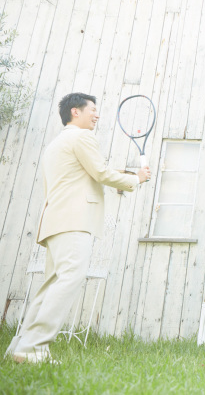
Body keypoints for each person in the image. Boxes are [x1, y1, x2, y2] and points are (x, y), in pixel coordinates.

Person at [6, 93, 151, 364]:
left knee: (51, 284)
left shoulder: (58, 143)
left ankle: (23, 347)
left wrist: (129, 176)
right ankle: (33, 348)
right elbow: (101, 173)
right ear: (76, 111)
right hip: (74, 221)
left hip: (55, 222)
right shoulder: (82, 137)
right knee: (70, 279)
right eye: (93, 110)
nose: (97, 115)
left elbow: (84, 174)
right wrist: (137, 179)